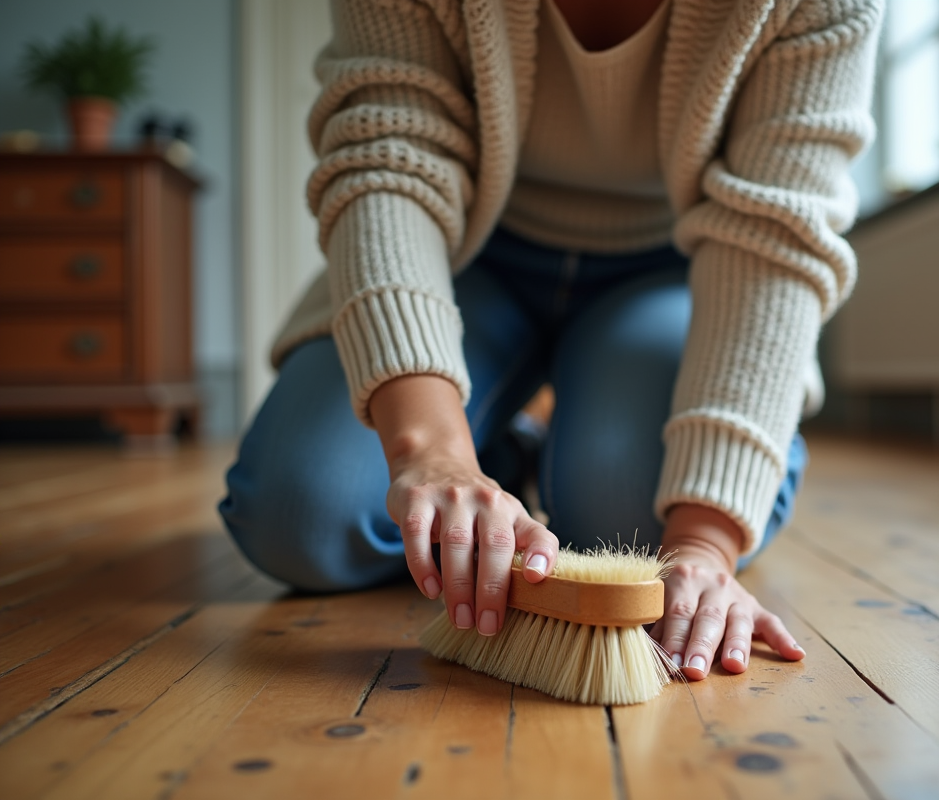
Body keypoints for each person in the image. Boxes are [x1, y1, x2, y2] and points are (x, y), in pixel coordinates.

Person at [220, 0, 880, 682]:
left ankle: (534, 456)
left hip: (674, 267)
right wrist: (433, 455)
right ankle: (492, 454)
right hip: (462, 252)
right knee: (300, 517)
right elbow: (389, 158)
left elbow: (776, 232)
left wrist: (704, 543)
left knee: (635, 535)